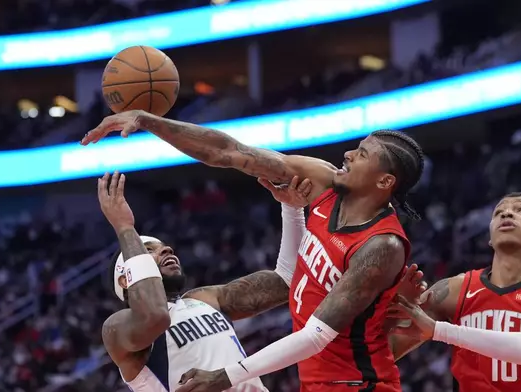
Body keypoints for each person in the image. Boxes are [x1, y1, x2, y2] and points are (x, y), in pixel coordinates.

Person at [82, 110, 426, 391]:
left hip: (356, 381)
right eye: (150, 250)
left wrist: (227, 375)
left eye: (362, 154)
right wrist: (149, 121)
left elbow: (301, 311)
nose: (348, 154)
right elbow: (229, 152)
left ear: (384, 182)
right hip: (320, 378)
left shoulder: (382, 245)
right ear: (128, 275)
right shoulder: (122, 328)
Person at [98, 170, 315, 391]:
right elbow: (155, 316)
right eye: (148, 251)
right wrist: (125, 228)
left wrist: (292, 209)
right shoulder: (118, 328)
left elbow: (289, 280)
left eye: (162, 245)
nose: (166, 249)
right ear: (126, 280)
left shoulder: (204, 299)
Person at [387, 192, 521, 391]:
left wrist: (441, 331)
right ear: (490, 238)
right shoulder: (454, 289)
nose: (507, 214)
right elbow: (386, 352)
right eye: (498, 212)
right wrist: (389, 311)